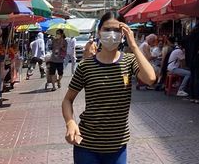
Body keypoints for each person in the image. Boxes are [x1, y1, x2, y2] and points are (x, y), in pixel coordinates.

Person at [62, 11, 156, 164]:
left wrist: (134, 45)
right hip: (86, 144)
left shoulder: (129, 61)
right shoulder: (86, 66)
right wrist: (70, 122)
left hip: (117, 146)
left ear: (124, 33)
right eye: (107, 29)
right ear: (99, 31)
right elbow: (67, 99)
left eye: (117, 30)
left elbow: (151, 78)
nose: (112, 34)